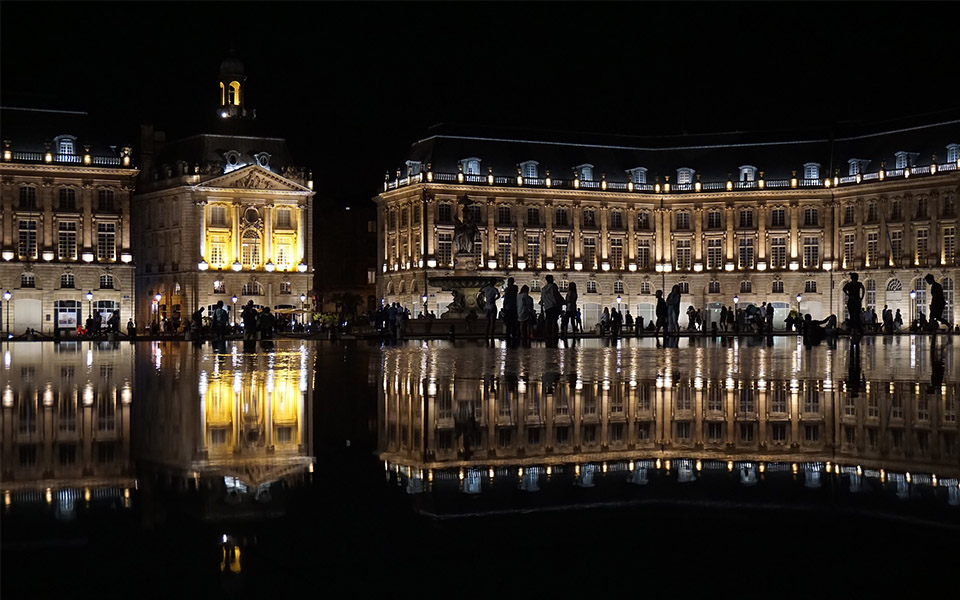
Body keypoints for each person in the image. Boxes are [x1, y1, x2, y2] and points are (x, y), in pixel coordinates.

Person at [539, 274, 563, 344]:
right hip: (553, 306)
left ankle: (548, 334)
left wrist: (541, 308)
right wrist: (561, 303)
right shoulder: (553, 286)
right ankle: (554, 334)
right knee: (554, 321)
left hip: (547, 307)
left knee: (548, 321)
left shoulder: (544, 289)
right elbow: (556, 296)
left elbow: (542, 299)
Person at [502, 277, 519, 343]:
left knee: (509, 323)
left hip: (509, 308)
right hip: (513, 307)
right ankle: (512, 335)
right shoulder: (514, 288)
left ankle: (509, 335)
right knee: (512, 323)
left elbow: (505, 299)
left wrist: (504, 308)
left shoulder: (511, 288)